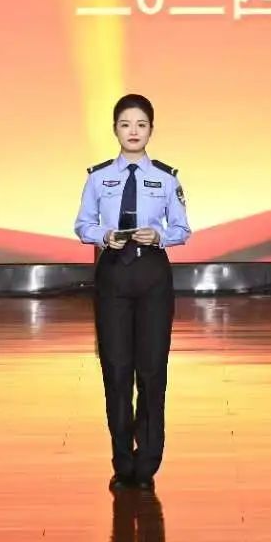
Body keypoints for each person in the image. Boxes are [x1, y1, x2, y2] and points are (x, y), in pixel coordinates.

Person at [74, 93, 191, 492]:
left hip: (152, 271)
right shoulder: (98, 177)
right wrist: (102, 235)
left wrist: (159, 235)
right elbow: (82, 224)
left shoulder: (166, 177)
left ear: (151, 130)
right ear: (115, 130)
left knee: (152, 370)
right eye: (126, 124)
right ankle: (123, 461)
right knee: (116, 369)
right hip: (113, 272)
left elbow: (182, 229)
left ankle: (148, 462)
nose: (133, 131)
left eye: (141, 125)